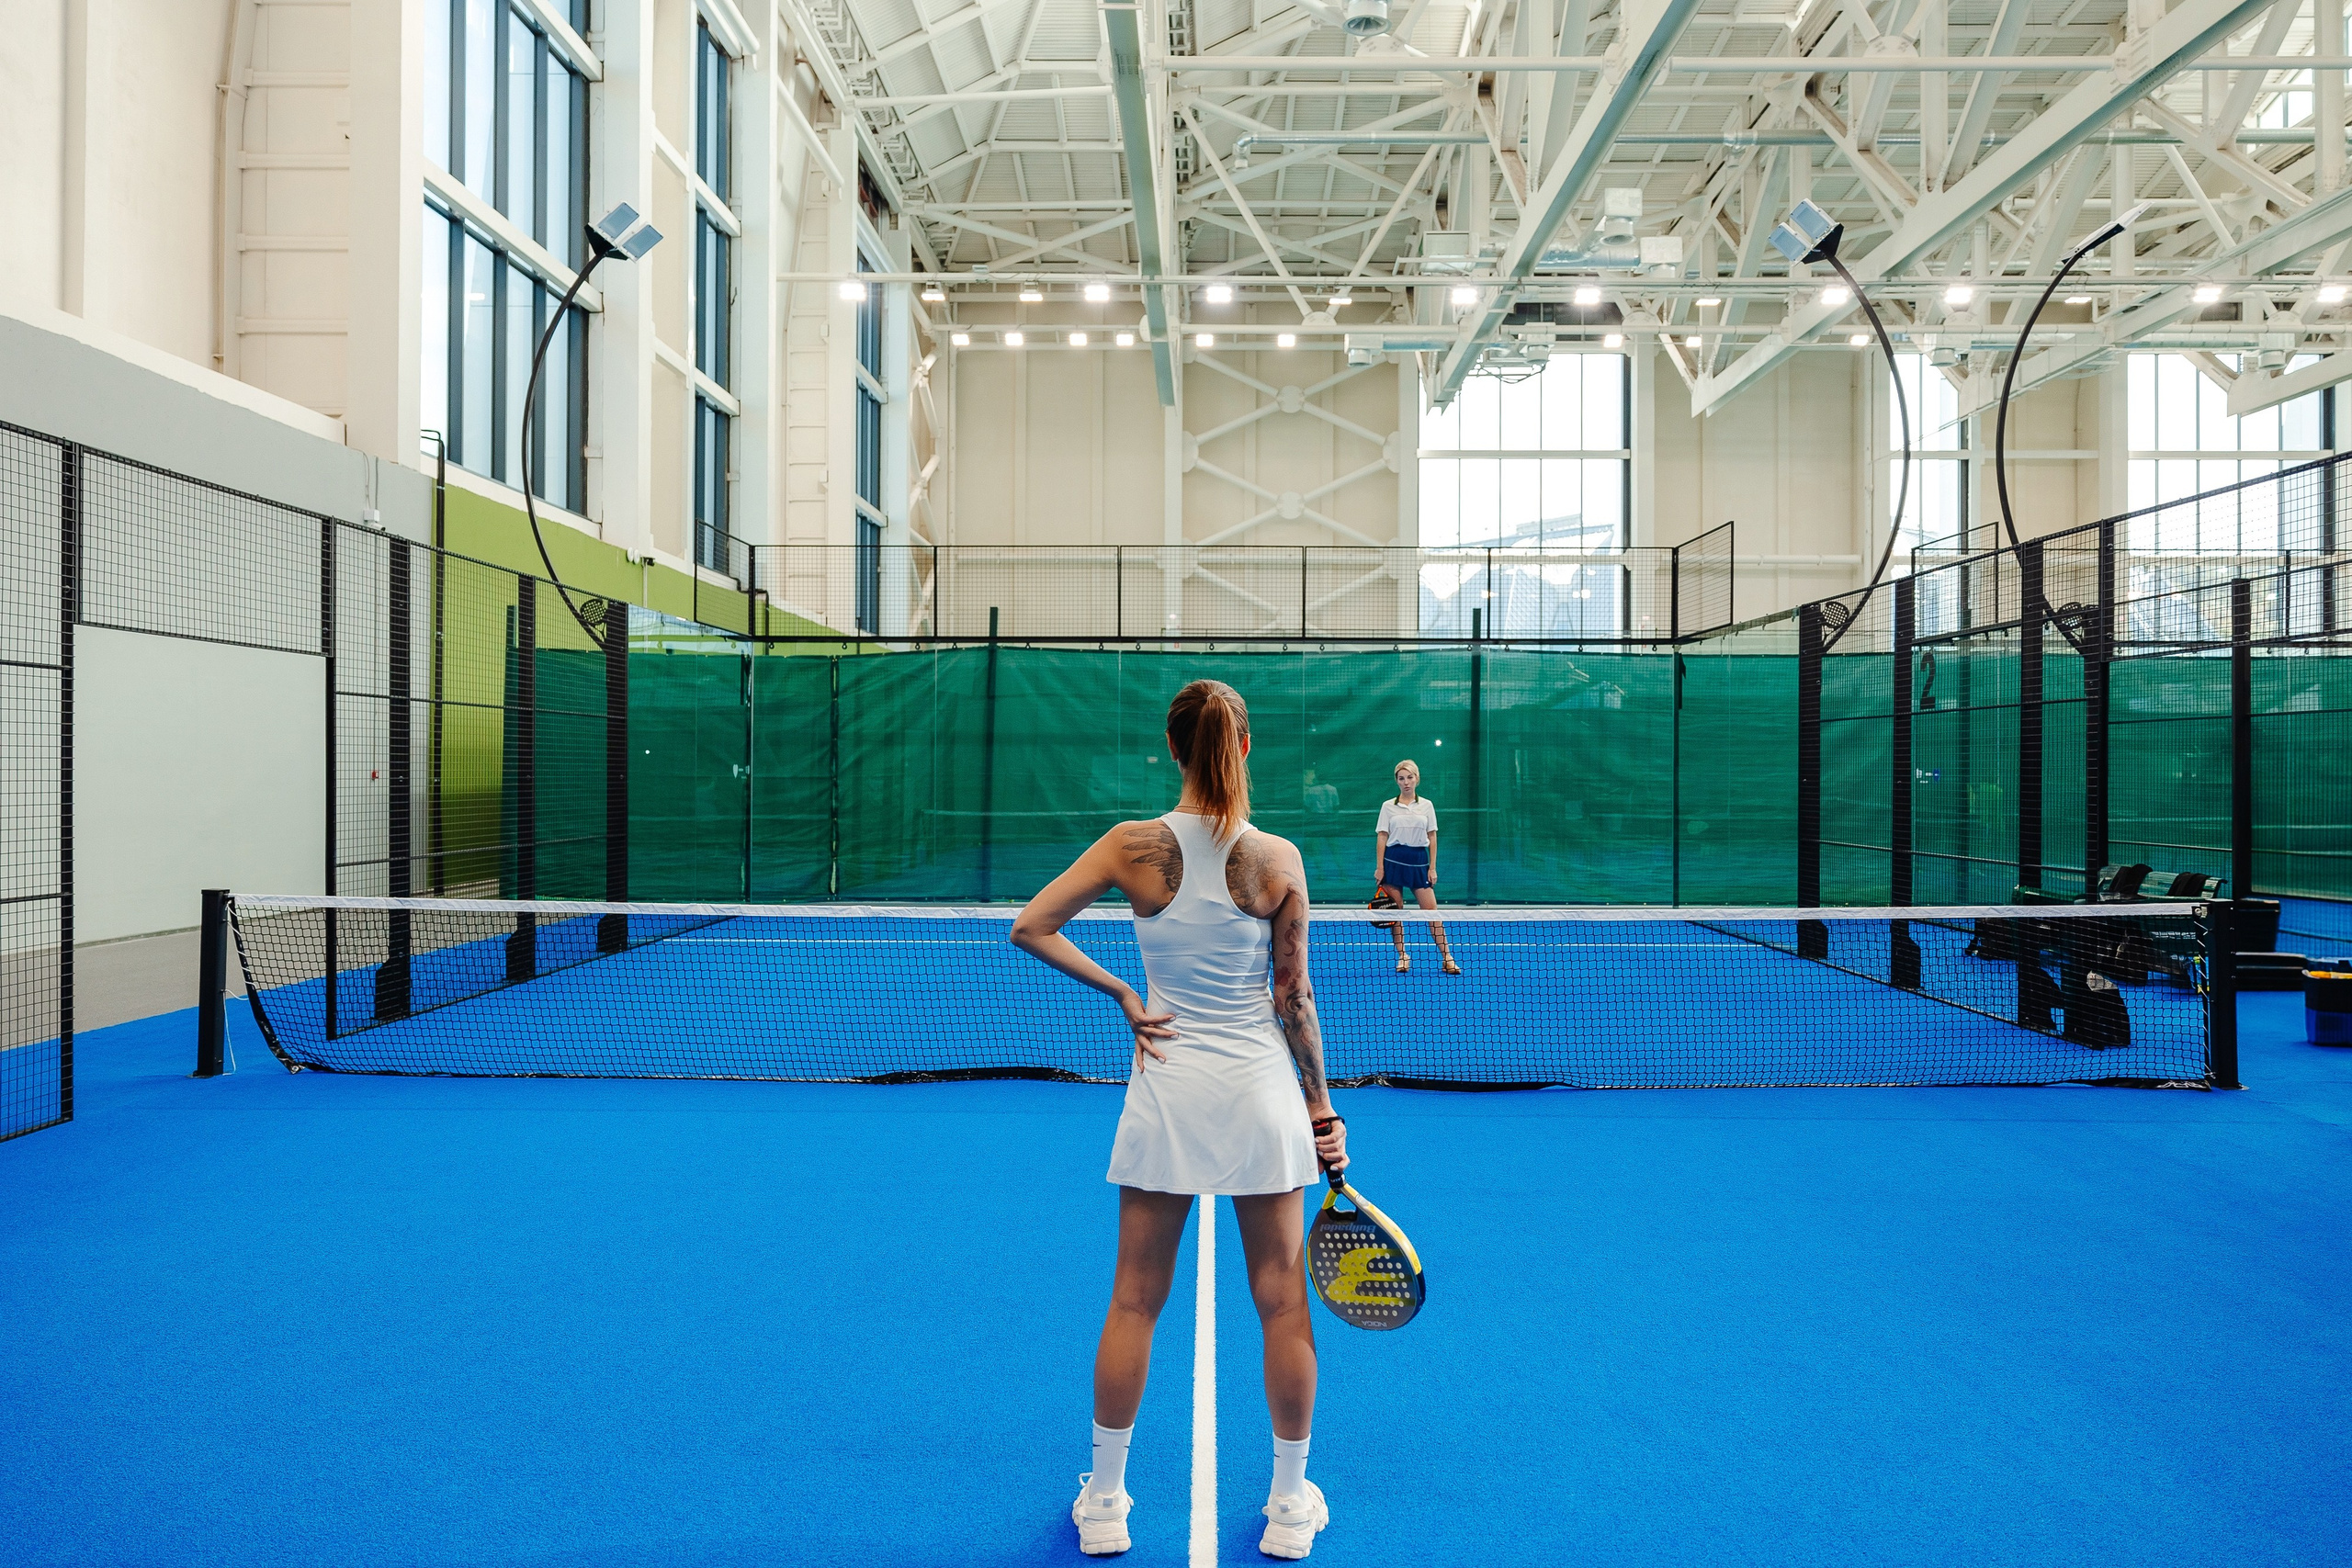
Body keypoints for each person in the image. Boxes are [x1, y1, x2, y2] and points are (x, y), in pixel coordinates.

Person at [1012, 679, 1350, 1561]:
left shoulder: (1135, 846)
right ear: (1243, 749)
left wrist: (1127, 992)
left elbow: (1032, 925)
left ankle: (1108, 1502)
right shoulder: (1278, 857)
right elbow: (1294, 997)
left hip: (1166, 1088)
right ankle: (1286, 1507)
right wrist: (1322, 1108)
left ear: (1174, 750)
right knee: (1282, 1301)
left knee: (1134, 1299)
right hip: (1259, 1095)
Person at [1374, 759, 1460, 975]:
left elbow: (1432, 836)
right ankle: (1402, 956)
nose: (1406, 782)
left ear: (1417, 779)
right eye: (1401, 778)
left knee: (1432, 913)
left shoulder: (1427, 805)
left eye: (1409, 777)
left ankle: (1447, 957)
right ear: (1397, 781)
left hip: (1419, 862)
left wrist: (1432, 868)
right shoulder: (1388, 806)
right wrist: (1380, 868)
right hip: (1393, 861)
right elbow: (1382, 836)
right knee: (1397, 913)